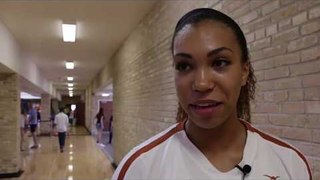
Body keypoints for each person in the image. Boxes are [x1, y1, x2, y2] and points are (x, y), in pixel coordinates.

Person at [112, 8, 312, 180]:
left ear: (244, 72)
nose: (201, 83)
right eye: (184, 66)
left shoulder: (291, 164)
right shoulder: (140, 169)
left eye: (220, 63)